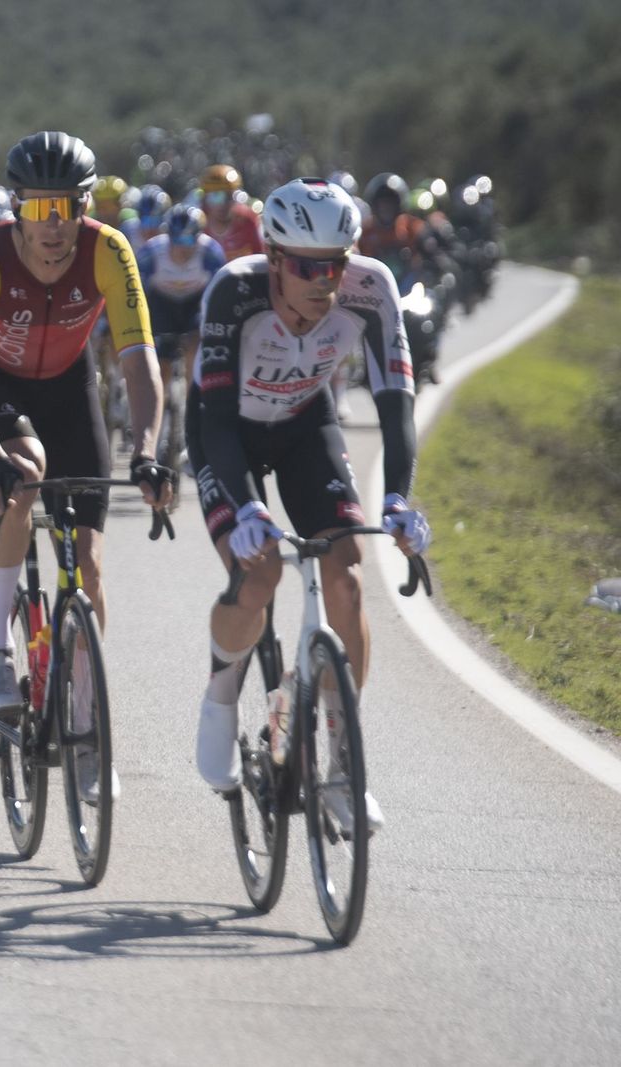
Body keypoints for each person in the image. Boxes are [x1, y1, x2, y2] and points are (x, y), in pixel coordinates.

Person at [191, 178, 430, 835]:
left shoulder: (371, 288)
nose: (325, 282)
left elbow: (395, 406)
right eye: (307, 267)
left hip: (304, 424)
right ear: (273, 259)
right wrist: (244, 508)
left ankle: (343, 771)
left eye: (337, 264)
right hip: (227, 432)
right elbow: (213, 421)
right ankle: (218, 700)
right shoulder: (233, 292)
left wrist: (401, 498)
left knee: (347, 577)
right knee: (260, 572)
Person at [0, 131, 169, 761]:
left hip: (72, 390)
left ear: (85, 205)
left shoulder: (107, 249)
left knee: (90, 566)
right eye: (40, 209)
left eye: (68, 207)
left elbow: (138, 361)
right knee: (23, 473)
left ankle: (81, 712)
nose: (55, 225)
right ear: (16, 206)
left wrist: (148, 449)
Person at [136, 203, 225, 462]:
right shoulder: (151, 253)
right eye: (178, 238)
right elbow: (137, 294)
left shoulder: (210, 253)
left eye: (189, 238)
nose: (183, 246)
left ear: (199, 236)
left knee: (195, 351)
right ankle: (160, 431)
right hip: (161, 305)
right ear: (168, 236)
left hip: (193, 306)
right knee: (161, 368)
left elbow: (219, 294)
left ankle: (189, 412)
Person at [199, 164, 265, 262]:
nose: (222, 204)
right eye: (215, 197)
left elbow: (260, 257)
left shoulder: (248, 220)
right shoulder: (198, 222)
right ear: (205, 198)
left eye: (229, 197)